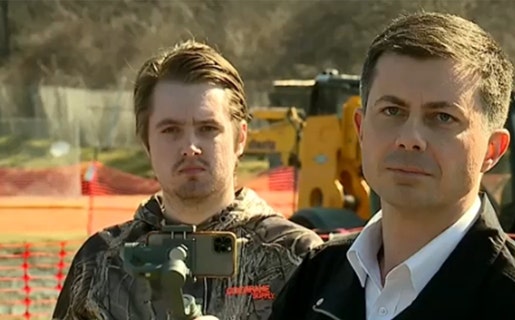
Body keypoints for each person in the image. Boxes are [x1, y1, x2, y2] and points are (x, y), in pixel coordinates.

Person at [269, 11, 515, 320]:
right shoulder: (315, 278)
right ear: (361, 129)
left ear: (493, 150)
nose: (410, 139)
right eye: (393, 111)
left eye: (442, 118)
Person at [52, 40, 324, 320]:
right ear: (146, 142)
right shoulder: (100, 261)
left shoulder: (300, 256)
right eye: (171, 130)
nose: (190, 146)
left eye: (208, 128)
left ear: (240, 138)